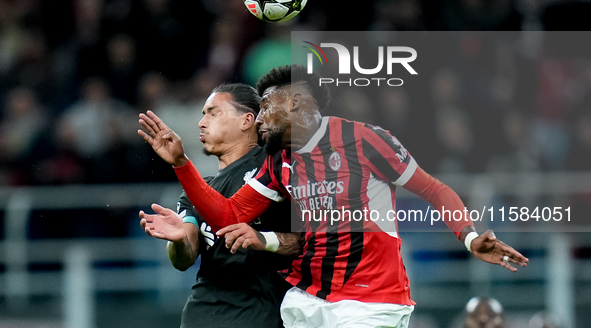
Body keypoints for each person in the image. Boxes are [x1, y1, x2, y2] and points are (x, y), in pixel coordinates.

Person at [138, 65, 529, 328]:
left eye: (267, 107)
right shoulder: (279, 161)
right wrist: (182, 164)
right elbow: (227, 214)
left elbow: (434, 189)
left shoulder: (365, 140)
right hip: (307, 301)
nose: (258, 119)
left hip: (371, 301)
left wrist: (471, 236)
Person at [139, 83, 300, 328]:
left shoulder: (275, 168)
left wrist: (264, 239)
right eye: (203, 114)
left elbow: (310, 243)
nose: (201, 123)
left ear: (247, 120)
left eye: (213, 113)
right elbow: (184, 260)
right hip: (201, 316)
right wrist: (179, 240)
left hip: (261, 314)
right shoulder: (196, 189)